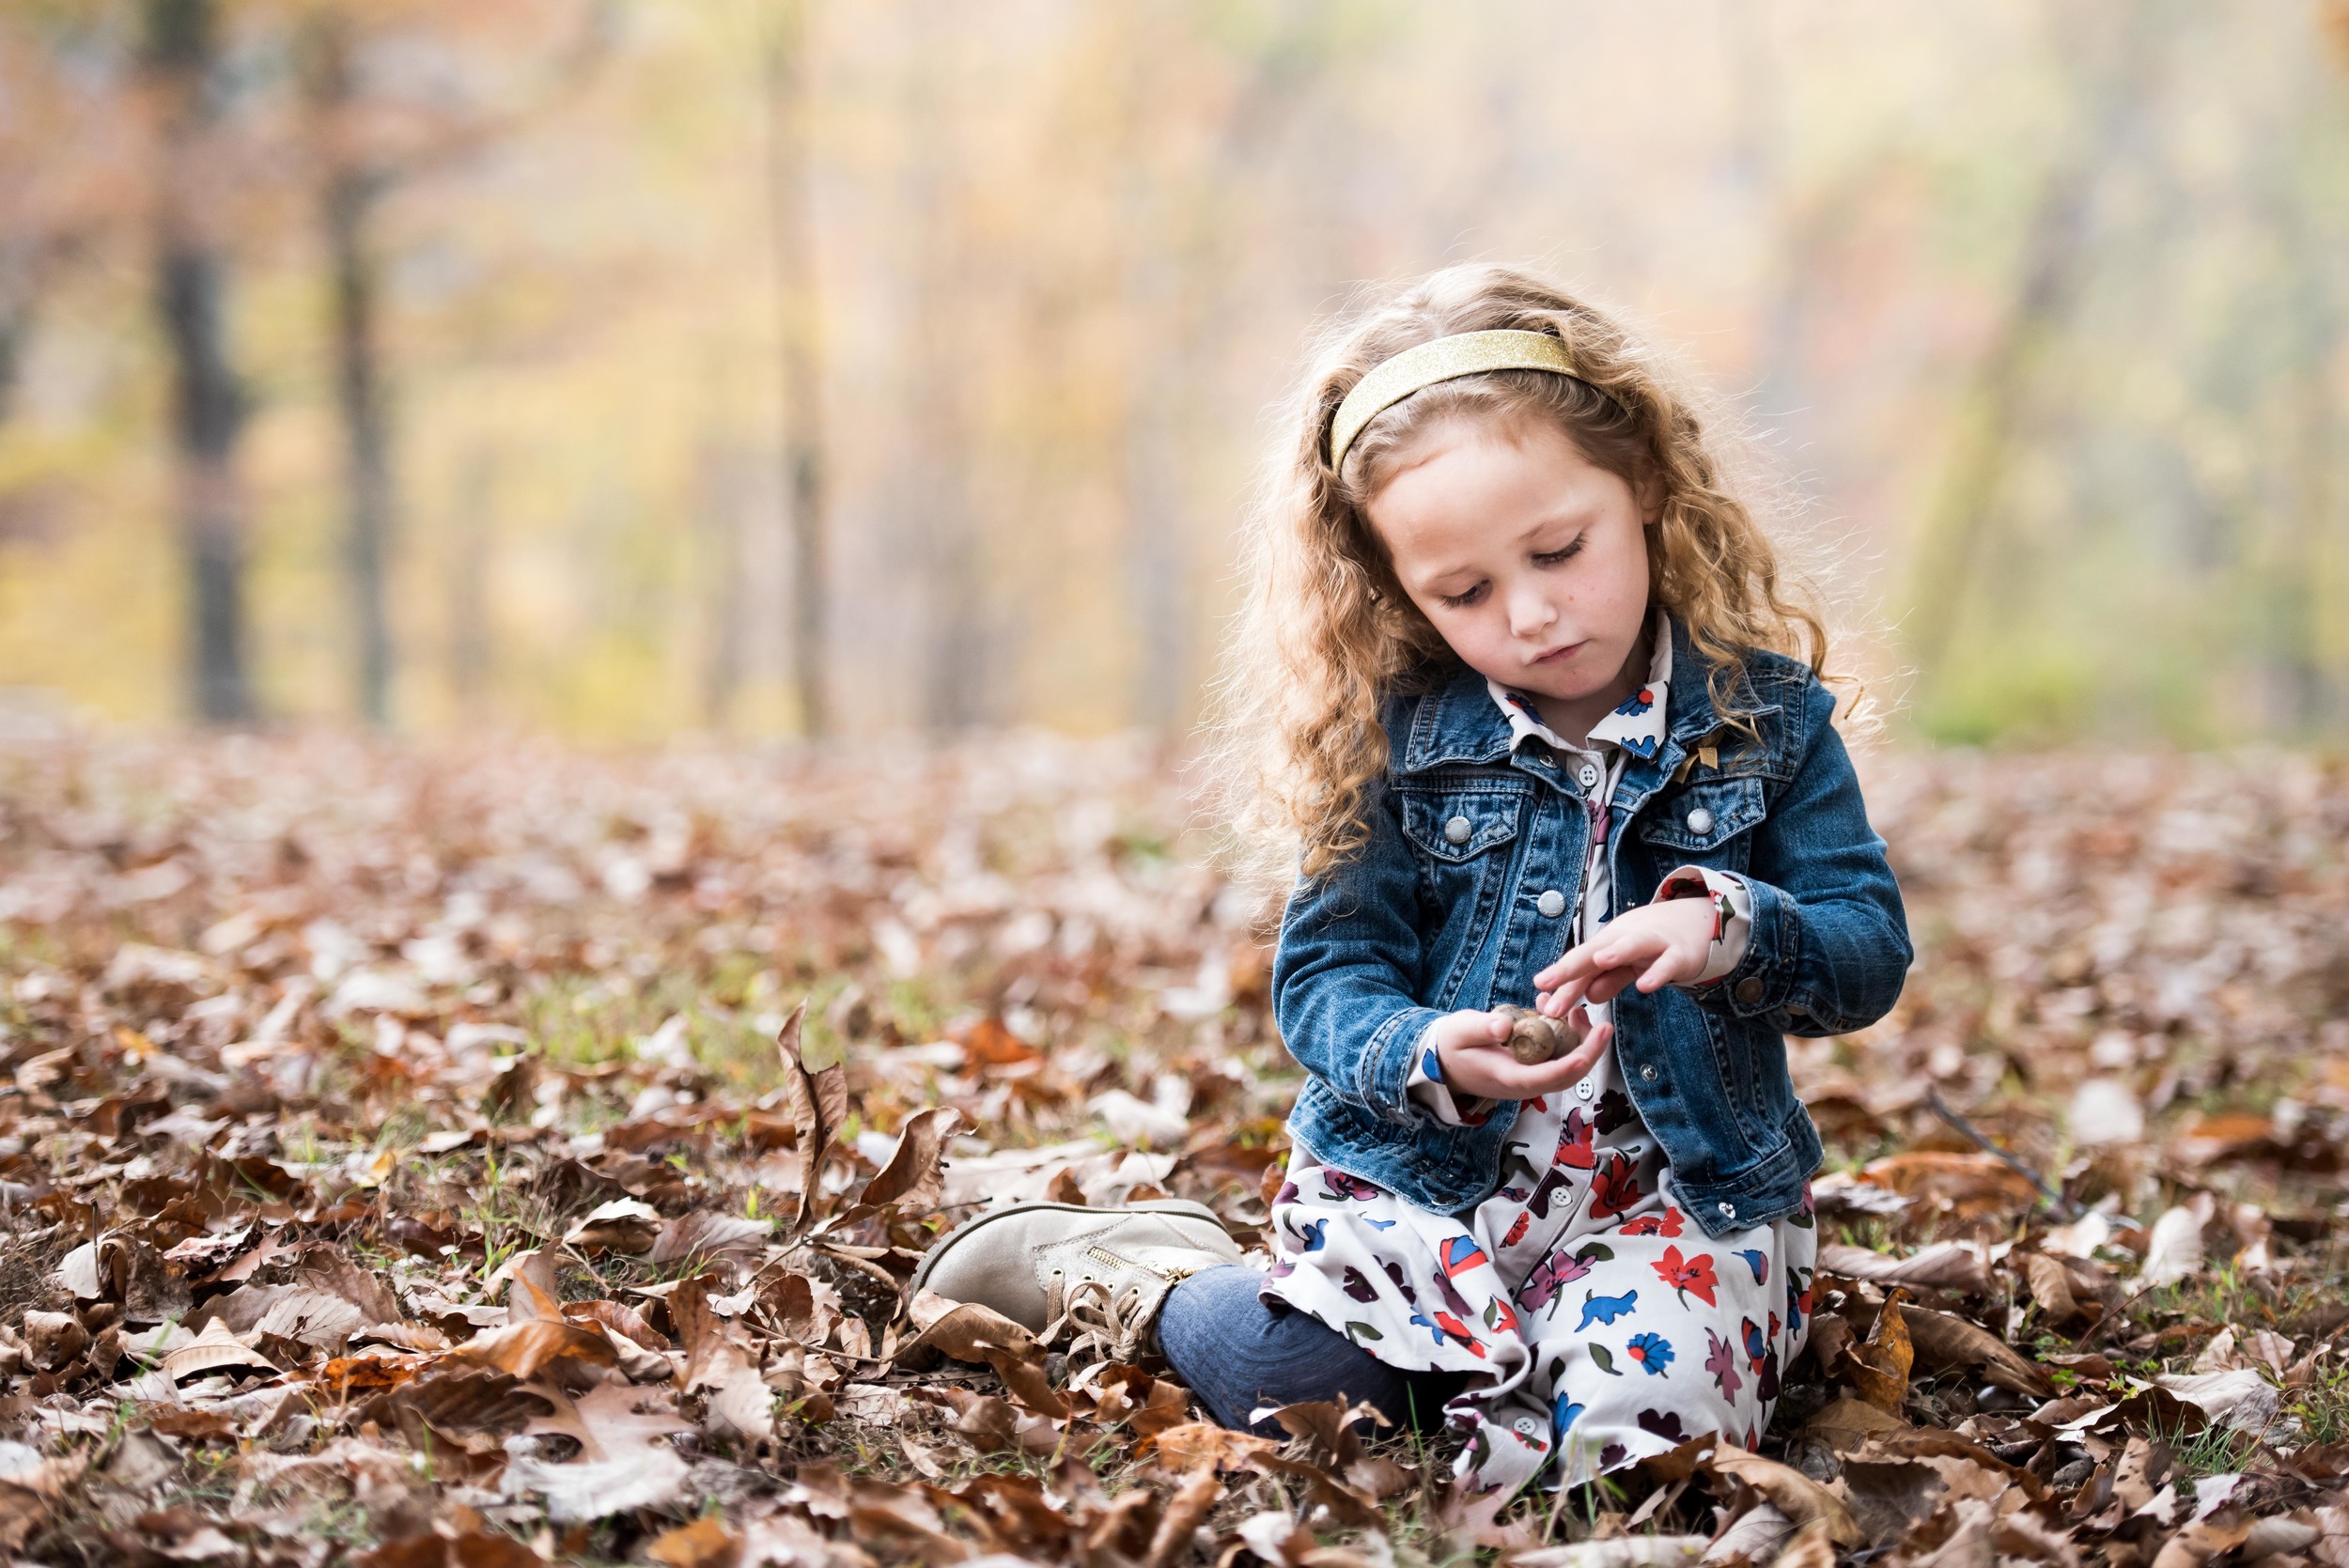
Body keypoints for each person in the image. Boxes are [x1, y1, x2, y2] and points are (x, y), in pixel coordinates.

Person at [911, 263, 1911, 1497]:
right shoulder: (1392, 739)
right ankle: (1153, 1281)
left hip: (1674, 1200)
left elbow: (1867, 947)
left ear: (1644, 479)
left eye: (1559, 549)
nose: (1534, 613)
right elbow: (1328, 981)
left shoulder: (1769, 723)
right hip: (1431, 1182)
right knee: (1320, 1403)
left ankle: (1585, 1363)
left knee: (1635, 1462)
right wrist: (1435, 1045)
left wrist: (1731, 929)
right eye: (1466, 592)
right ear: (1397, 586)